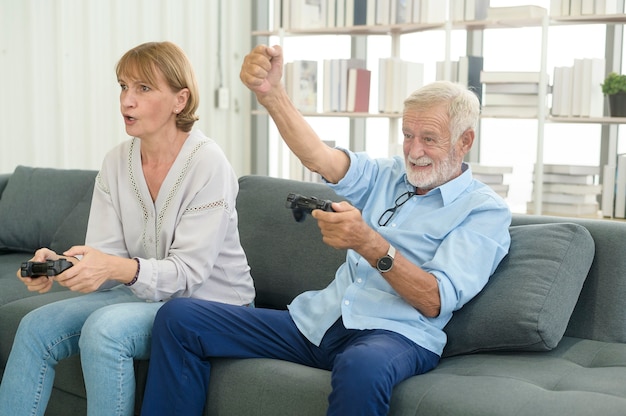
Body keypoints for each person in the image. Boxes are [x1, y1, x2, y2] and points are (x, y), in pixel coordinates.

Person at [140, 44, 512, 416]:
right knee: (179, 319)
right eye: (407, 134)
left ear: (465, 141)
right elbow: (318, 157)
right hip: (318, 321)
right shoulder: (387, 175)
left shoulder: (483, 211)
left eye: (428, 138)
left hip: (395, 335)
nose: (413, 150)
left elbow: (434, 299)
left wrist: (370, 244)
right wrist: (272, 95)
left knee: (361, 368)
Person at [0, 41, 255, 416]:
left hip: (210, 306)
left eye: (143, 88)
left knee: (106, 330)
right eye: (123, 86)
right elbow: (107, 257)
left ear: (179, 100)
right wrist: (62, 264)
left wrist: (114, 269)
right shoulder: (117, 161)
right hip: (145, 295)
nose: (126, 101)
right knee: (35, 325)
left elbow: (188, 274)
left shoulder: (208, 164)